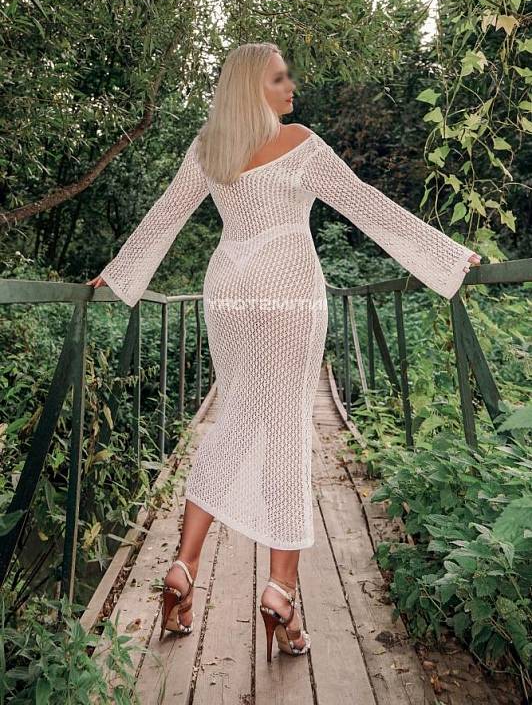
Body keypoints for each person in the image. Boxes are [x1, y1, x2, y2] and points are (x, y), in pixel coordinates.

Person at [87, 41, 481, 661]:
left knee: (234, 420)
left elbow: (165, 217)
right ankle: (281, 590)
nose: (291, 85)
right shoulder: (301, 143)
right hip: (289, 285)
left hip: (229, 287)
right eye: (279, 77)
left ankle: (183, 568)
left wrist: (119, 274)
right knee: (287, 427)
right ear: (253, 87)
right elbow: (369, 207)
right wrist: (447, 257)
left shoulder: (209, 148)